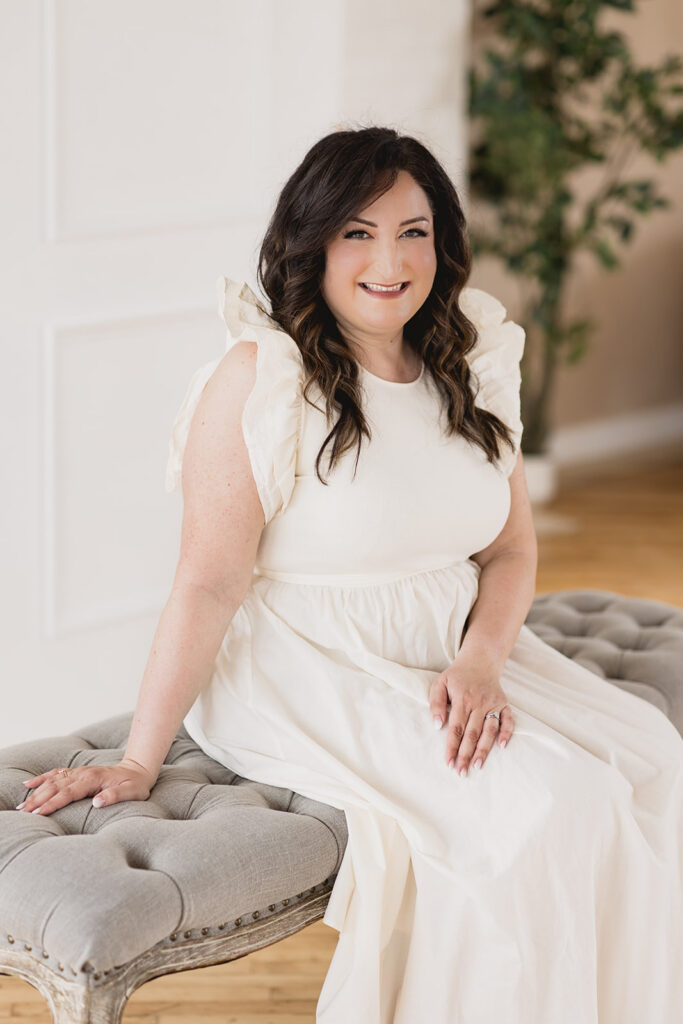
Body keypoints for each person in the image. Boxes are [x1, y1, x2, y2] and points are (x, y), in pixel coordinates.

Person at [17, 126, 683, 1023]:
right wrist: (140, 758)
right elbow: (208, 582)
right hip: (308, 667)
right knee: (545, 811)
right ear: (313, 242)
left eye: (413, 231)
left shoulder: (469, 354)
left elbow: (510, 550)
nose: (389, 258)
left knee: (653, 766)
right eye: (357, 232)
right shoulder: (265, 379)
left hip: (455, 651)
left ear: (442, 244)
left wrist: (482, 659)